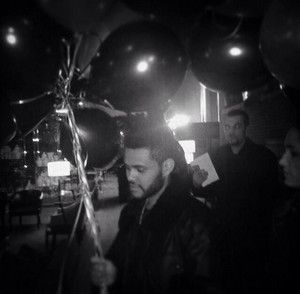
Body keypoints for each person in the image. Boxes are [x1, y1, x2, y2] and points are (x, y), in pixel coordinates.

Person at [91, 118, 217, 294]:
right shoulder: (131, 212)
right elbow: (122, 265)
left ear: (166, 167)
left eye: (140, 169)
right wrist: (113, 275)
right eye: (127, 168)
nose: (130, 177)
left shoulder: (197, 223)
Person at [192, 109, 280, 293]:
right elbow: (206, 190)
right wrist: (197, 184)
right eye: (227, 127)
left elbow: (273, 196)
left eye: (237, 126)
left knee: (252, 281)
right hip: (223, 231)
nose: (231, 131)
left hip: (254, 234)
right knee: (225, 280)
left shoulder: (264, 157)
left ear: (246, 128)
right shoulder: (215, 156)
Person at [269, 120, 300, 293]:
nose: (282, 161)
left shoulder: (262, 156)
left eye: (294, 153)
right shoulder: (288, 206)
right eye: (226, 126)